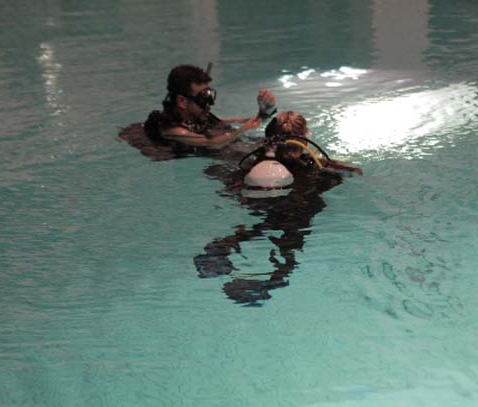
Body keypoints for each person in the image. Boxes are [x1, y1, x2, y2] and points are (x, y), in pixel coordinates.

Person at [193, 110, 362, 305]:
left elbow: (222, 177)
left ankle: (223, 247)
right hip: (298, 208)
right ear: (305, 139)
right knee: (290, 241)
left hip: (259, 204)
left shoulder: (253, 164)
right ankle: (277, 277)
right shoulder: (317, 166)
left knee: (263, 224)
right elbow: (351, 173)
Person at [142, 64, 277, 153]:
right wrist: (241, 130)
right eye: (202, 96)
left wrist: (265, 110)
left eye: (208, 94)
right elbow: (209, 142)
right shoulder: (172, 130)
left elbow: (246, 122)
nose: (209, 102)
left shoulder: (198, 117)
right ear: (182, 101)